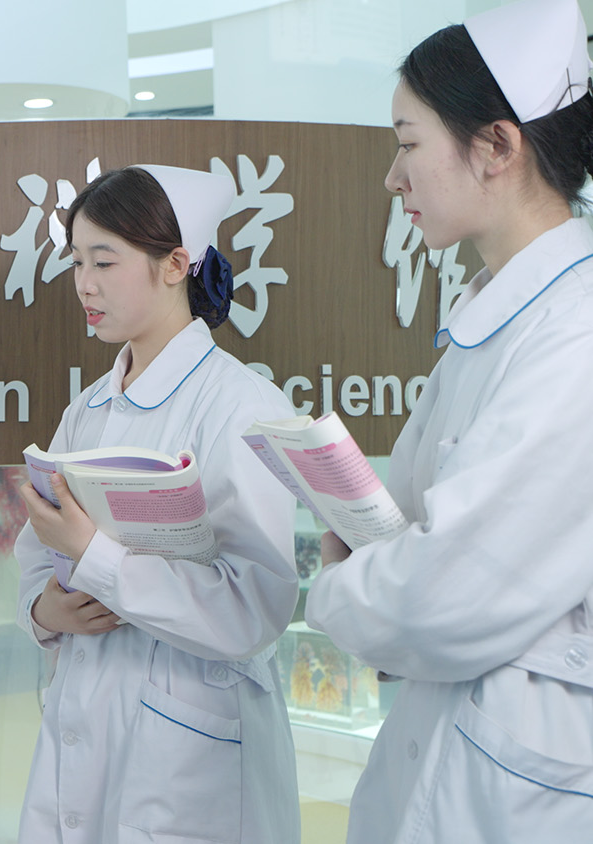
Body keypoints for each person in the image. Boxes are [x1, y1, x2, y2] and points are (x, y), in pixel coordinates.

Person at [304, 0, 593, 840]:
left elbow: (445, 596)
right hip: (457, 748)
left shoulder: (574, 332)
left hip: (525, 783)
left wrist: (336, 586)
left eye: (407, 144)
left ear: (497, 146)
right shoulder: (494, 316)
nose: (392, 179)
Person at [14, 165, 301, 843]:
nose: (84, 284)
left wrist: (96, 558)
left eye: (104, 261)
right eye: (77, 262)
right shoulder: (88, 409)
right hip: (88, 722)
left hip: (191, 751)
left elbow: (255, 608)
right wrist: (45, 611)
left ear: (175, 265)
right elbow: (37, 552)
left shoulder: (240, 405)